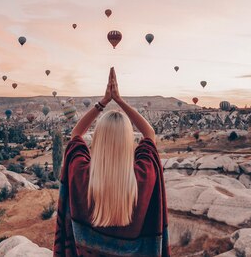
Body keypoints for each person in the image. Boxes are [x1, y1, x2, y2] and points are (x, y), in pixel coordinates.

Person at [54, 67, 170, 256]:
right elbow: (149, 133)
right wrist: (120, 100)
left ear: (98, 140)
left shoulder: (80, 174)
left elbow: (76, 134)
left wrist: (104, 102)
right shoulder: (144, 174)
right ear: (128, 141)